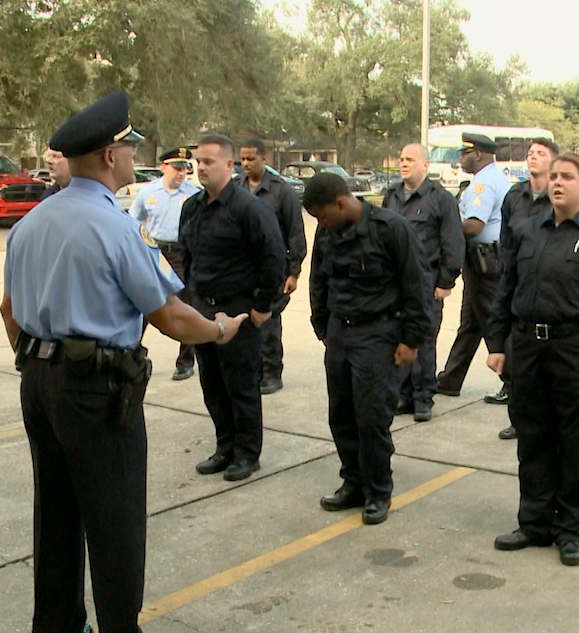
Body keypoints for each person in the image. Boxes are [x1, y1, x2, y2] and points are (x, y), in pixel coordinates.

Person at [0, 92, 249, 633]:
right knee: (114, 520)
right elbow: (171, 317)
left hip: (39, 381)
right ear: (110, 157)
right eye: (129, 148)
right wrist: (222, 330)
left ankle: (58, 623)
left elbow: (8, 311)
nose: (135, 157)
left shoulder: (30, 224)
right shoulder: (116, 226)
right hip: (96, 389)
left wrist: (38, 365)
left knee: (56, 513)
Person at [486, 152, 579, 567]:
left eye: (567, 177)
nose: (557, 182)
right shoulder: (525, 231)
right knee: (532, 435)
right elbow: (506, 290)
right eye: (553, 176)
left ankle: (570, 527)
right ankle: (534, 521)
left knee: (578, 441)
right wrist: (496, 343)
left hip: (578, 349)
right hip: (528, 348)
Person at [305, 173, 433, 525]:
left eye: (322, 215)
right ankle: (354, 483)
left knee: (372, 417)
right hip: (340, 334)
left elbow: (417, 286)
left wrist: (412, 341)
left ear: (342, 203)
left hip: (379, 334)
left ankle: (378, 491)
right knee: (341, 413)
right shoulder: (327, 232)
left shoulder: (391, 228)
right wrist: (322, 326)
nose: (320, 223)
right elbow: (319, 278)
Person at [180, 133, 286, 482]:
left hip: (239, 312)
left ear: (229, 165)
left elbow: (273, 259)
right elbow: (188, 258)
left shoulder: (249, 209)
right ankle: (224, 448)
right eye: (198, 161)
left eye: (209, 161)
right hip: (203, 313)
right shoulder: (192, 207)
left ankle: (247, 454)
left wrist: (260, 308)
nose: (201, 168)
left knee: (240, 387)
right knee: (212, 386)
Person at [383, 143, 464, 422]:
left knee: (424, 339)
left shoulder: (440, 199)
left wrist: (446, 281)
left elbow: (452, 242)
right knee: (397, 336)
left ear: (425, 165)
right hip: (395, 283)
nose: (403, 164)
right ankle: (403, 395)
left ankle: (423, 397)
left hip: (427, 282)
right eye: (401, 159)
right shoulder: (391, 195)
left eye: (410, 159)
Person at [490, 138, 559, 440]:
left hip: (549, 289)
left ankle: (547, 419)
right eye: (530, 153)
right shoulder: (514, 196)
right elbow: (505, 240)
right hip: (515, 285)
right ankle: (518, 418)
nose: (533, 157)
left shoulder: (558, 197)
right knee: (515, 356)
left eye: (540, 153)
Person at [436, 133, 510, 398]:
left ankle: (514, 382)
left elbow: (474, 224)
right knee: (471, 323)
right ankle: (450, 379)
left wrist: (443, 231)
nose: (460, 158)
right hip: (484, 259)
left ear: (477, 154)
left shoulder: (483, 184)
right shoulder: (492, 178)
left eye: (463, 153)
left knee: (491, 320)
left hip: (485, 261)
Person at [237, 138, 307, 395]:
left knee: (268, 323)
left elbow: (295, 232)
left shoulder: (281, 191)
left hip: (272, 270)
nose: (245, 163)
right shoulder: (236, 188)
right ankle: (253, 372)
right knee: (246, 323)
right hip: (243, 271)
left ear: (264, 159)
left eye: (251, 158)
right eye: (242, 159)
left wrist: (294, 271)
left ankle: (272, 373)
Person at [130, 148, 202, 380]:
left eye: (184, 168)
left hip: (182, 253)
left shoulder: (193, 193)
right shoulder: (148, 192)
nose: (182, 173)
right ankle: (131, 350)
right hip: (155, 252)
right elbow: (134, 220)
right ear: (164, 167)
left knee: (186, 305)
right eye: (177, 167)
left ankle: (185, 361)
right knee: (142, 303)